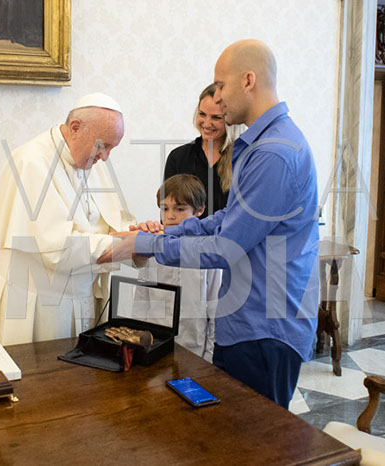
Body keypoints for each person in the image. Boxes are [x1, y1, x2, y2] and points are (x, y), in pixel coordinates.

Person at [99, 39, 319, 409]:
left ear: (248, 80)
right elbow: (226, 219)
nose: (216, 98)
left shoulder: (274, 154)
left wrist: (145, 245)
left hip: (264, 329)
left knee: (250, 436)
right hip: (248, 323)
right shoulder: (263, 143)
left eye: (220, 86)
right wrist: (166, 232)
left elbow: (225, 246)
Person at [0, 93, 136, 346]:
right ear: (75, 128)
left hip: (84, 297)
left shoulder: (93, 162)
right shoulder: (30, 162)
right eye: (103, 146)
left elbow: (109, 222)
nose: (105, 157)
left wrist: (137, 232)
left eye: (112, 148)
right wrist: (129, 243)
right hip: (37, 304)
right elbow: (56, 248)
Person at [133, 174, 220, 362]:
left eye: (180, 209)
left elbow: (215, 310)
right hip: (153, 347)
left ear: (199, 211)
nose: (170, 216)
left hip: (193, 349)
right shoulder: (152, 249)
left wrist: (209, 356)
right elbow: (141, 301)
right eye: (165, 208)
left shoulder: (208, 254)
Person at [164, 84, 241, 218]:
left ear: (230, 119)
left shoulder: (243, 158)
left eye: (216, 117)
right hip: (186, 233)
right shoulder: (178, 157)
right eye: (202, 114)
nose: (206, 123)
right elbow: (168, 214)